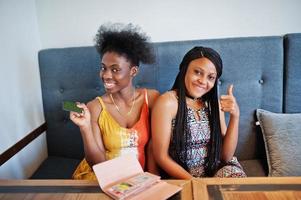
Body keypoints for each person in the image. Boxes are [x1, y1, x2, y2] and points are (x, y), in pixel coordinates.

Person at [70, 23, 159, 180]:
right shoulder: (95, 107)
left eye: (115, 69)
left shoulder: (151, 99)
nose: (106, 75)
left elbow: (153, 147)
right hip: (101, 177)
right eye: (103, 68)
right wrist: (85, 128)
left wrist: (152, 181)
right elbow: (96, 163)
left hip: (137, 180)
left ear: (133, 71)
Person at [151, 46, 246, 178]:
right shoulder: (167, 102)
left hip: (218, 170)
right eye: (197, 72)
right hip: (184, 175)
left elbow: (226, 156)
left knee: (235, 181)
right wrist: (196, 183)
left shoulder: (213, 104)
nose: (203, 81)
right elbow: (161, 156)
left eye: (211, 77)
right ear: (184, 70)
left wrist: (235, 116)